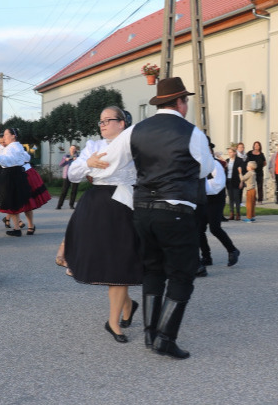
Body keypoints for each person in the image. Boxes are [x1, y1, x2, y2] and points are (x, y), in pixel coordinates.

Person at [88, 77, 213, 359]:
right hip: (176, 209)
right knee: (182, 273)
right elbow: (204, 170)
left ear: (159, 102)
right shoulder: (192, 132)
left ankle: (149, 333)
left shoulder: (135, 131)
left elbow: (109, 163)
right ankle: (165, 339)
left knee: (152, 271)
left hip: (143, 208)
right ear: (181, 102)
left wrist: (89, 163)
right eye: (186, 101)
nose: (186, 105)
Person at [65, 106, 142, 343]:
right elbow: (72, 175)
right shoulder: (93, 146)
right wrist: (88, 163)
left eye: (109, 120)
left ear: (123, 123)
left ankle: (113, 322)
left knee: (120, 262)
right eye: (100, 121)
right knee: (107, 261)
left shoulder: (134, 145)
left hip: (124, 204)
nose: (103, 125)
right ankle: (128, 304)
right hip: (97, 205)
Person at [198, 138, 240, 268]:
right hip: (203, 200)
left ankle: (232, 250)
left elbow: (218, 184)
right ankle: (206, 256)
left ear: (210, 151)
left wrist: (199, 186)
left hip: (215, 200)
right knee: (198, 229)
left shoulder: (215, 164)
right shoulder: (200, 165)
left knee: (215, 228)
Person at [56, 145, 80, 210]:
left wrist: (77, 160)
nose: (73, 150)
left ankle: (71, 205)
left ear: (75, 150)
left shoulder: (78, 156)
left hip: (75, 175)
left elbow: (81, 165)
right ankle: (59, 205)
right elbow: (60, 165)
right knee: (64, 190)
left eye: (74, 149)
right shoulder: (66, 156)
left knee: (74, 191)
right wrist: (65, 160)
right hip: (67, 175)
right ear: (69, 149)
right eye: (72, 148)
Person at [225, 147, 244, 220]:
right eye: (229, 152)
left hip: (236, 181)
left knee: (236, 198)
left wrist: (241, 181)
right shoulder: (227, 161)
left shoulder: (239, 160)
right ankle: (231, 213)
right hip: (228, 180)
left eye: (231, 152)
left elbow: (241, 172)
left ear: (235, 152)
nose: (229, 153)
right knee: (231, 198)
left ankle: (238, 213)